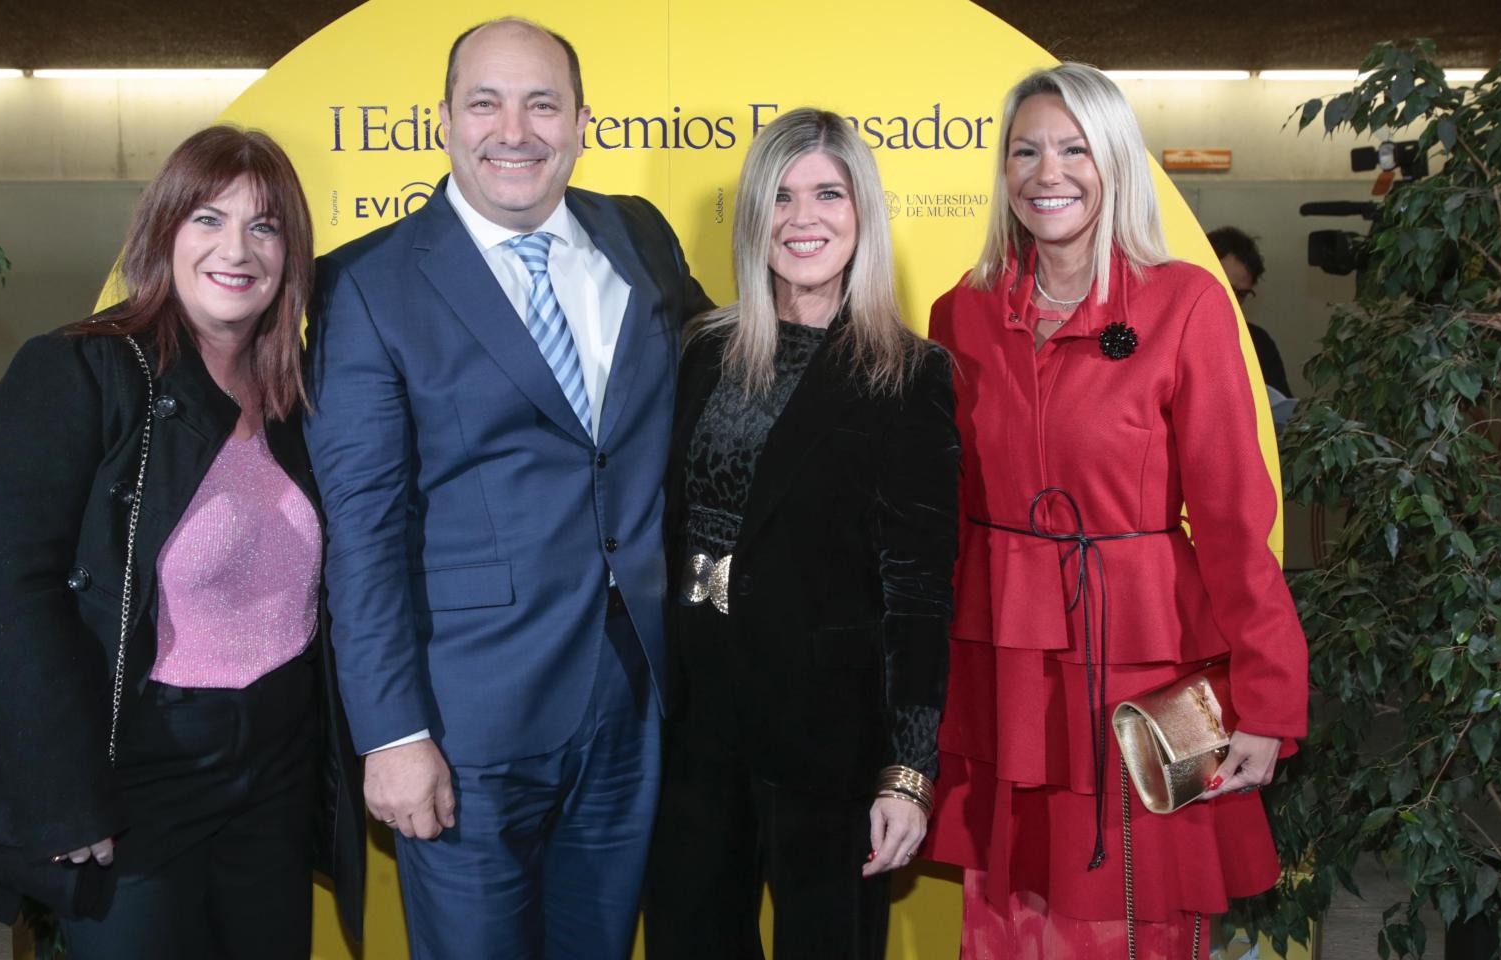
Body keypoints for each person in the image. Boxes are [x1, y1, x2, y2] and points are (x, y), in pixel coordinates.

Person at [303, 17, 711, 959]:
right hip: (462, 722)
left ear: (580, 123)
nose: (514, 129)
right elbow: (362, 532)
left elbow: (719, 388)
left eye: (542, 103)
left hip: (629, 700)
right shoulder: (363, 287)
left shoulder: (638, 238)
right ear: (443, 120)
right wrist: (391, 732)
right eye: (485, 102)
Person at [0, 126, 366, 957]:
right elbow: (15, 587)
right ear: (162, 231)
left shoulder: (298, 393)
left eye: (265, 227)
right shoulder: (81, 371)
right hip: (137, 773)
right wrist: (63, 794)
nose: (238, 248)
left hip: (278, 772)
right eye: (208, 219)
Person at [921, 64, 1309, 958]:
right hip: (1001, 663)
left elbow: (1232, 522)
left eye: (1073, 148)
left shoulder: (1185, 304)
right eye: (1025, 150)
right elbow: (938, 515)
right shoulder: (962, 314)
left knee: (1130, 908)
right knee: (1012, 904)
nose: (1046, 171)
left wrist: (1267, 703)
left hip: (1140, 657)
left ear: (1115, 162)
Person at [643, 108, 958, 959]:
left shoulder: (910, 373)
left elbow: (921, 590)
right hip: (694, 722)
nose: (802, 217)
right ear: (754, 217)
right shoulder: (703, 349)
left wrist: (907, 770)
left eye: (827, 193)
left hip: (831, 736)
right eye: (779, 197)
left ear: (863, 214)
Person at [1208, 225, 1292, 396]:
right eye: (1225, 288)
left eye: (1242, 294)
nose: (1232, 300)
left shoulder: (1258, 343)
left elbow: (1280, 412)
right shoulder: (1167, 334)